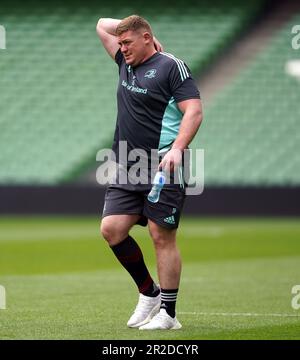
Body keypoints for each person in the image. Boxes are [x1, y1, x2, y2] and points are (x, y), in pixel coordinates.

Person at [96, 15, 203, 330]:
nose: (122, 47)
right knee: (112, 229)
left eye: (128, 42)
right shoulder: (124, 62)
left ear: (147, 38)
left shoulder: (172, 67)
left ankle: (168, 315)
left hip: (162, 164)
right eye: (121, 41)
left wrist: (178, 148)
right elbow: (101, 24)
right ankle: (149, 293)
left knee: (161, 235)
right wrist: (129, 29)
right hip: (127, 164)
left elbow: (194, 111)